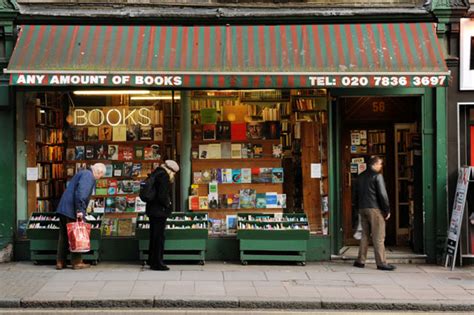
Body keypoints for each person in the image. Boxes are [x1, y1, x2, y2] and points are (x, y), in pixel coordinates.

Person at [55, 163, 106, 270]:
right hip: (72, 209)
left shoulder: (82, 173)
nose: (100, 178)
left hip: (63, 208)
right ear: (99, 172)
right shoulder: (88, 176)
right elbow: (81, 194)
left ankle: (60, 262)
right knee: (76, 234)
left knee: (63, 236)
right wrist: (80, 211)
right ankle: (77, 262)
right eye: (101, 175)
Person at [353, 156, 396, 271]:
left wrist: (357, 208)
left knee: (364, 235)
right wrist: (387, 210)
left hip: (362, 208)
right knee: (379, 236)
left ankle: (360, 261)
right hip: (374, 209)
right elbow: (383, 195)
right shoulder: (378, 176)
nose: (381, 166)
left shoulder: (360, 176)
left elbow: (355, 195)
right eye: (380, 164)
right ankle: (381, 262)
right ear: (374, 164)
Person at [146, 159, 179, 271]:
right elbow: (162, 195)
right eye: (174, 173)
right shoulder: (164, 176)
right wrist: (168, 204)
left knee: (153, 236)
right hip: (159, 211)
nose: (174, 175)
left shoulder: (156, 172)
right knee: (159, 237)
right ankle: (157, 263)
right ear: (170, 170)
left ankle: (151, 260)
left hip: (152, 210)